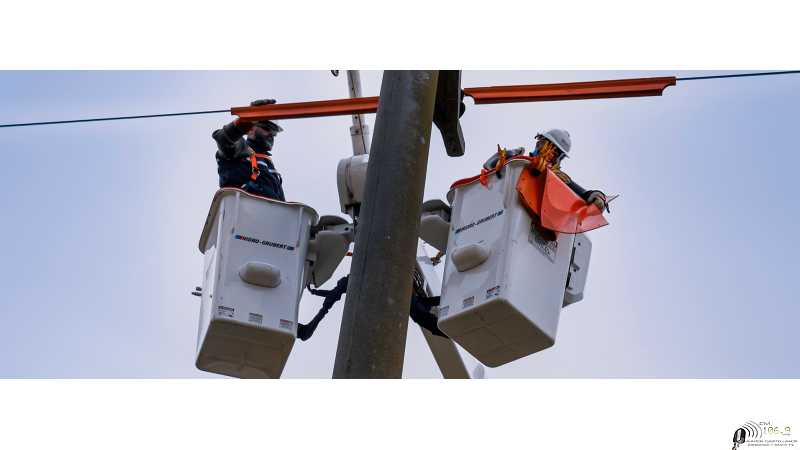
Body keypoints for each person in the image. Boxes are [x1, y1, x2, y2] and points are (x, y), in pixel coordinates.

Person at [484, 128, 608, 212]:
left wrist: (597, 196)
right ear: (539, 143)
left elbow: (582, 193)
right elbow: (489, 165)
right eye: (549, 147)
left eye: (557, 154)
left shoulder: (557, 178)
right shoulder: (518, 159)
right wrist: (511, 159)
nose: (551, 155)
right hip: (499, 207)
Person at [212, 99, 286, 201]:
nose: (271, 134)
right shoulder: (240, 148)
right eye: (267, 128)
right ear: (250, 129)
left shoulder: (269, 167)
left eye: (274, 132)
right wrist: (246, 120)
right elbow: (223, 139)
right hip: (241, 213)